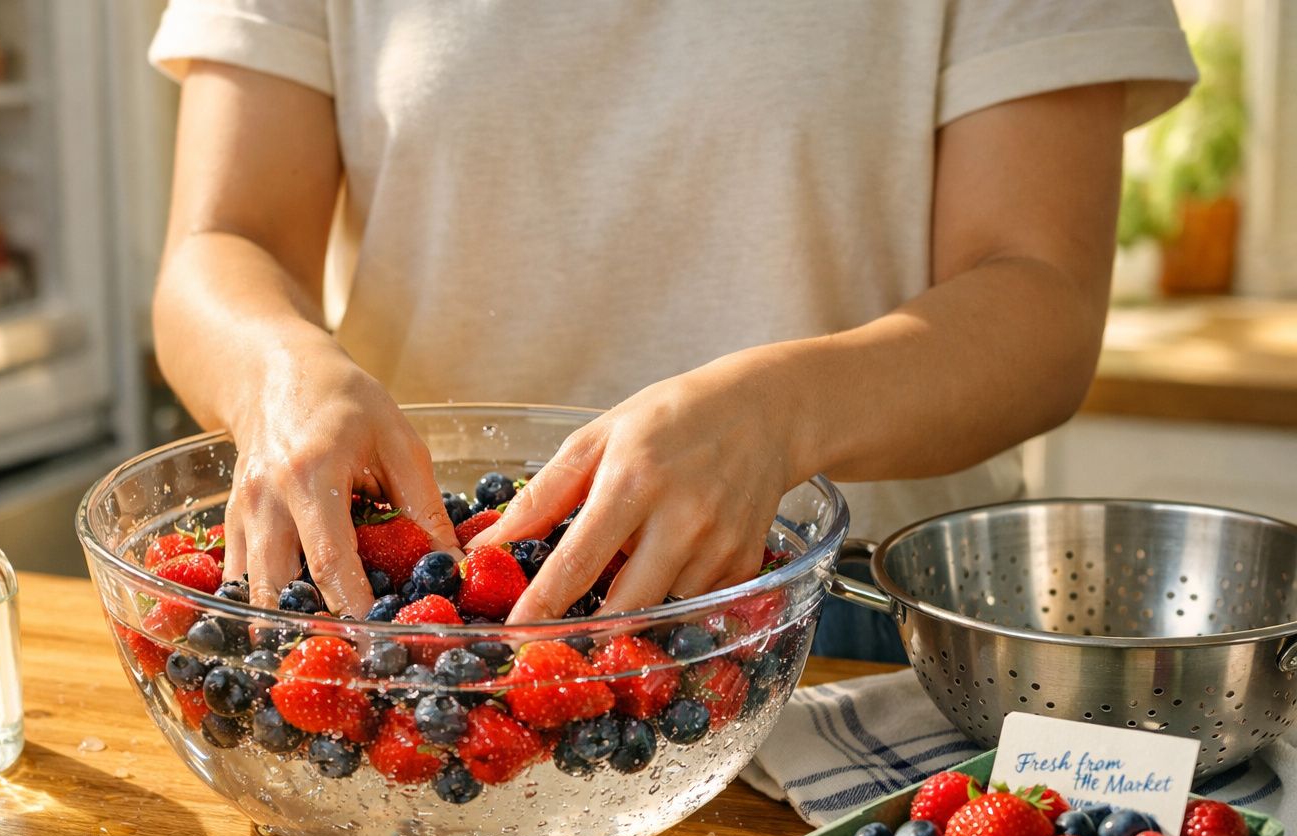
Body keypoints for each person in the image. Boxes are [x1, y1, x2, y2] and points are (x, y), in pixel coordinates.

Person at [148, 2, 1196, 661]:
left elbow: (1042, 298)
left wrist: (782, 416)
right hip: (438, 620)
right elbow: (222, 243)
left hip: (847, 623)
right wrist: (277, 370)